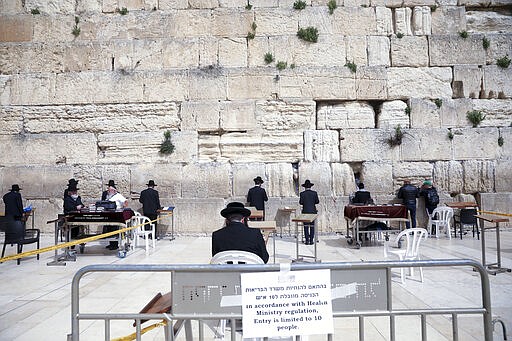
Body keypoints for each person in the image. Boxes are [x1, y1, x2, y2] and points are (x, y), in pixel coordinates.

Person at [102, 181, 128, 250]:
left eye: (109, 190)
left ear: (113, 190)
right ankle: (111, 243)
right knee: (109, 229)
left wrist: (122, 208)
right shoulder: (108, 196)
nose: (108, 191)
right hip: (109, 214)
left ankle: (115, 245)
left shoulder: (118, 195)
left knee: (114, 229)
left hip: (116, 214)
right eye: (108, 190)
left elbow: (125, 202)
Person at [299, 179, 319, 245]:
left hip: (305, 212)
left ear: (305, 187)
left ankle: (307, 240)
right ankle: (311, 240)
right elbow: (317, 201)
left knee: (306, 226)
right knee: (312, 226)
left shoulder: (302, 194)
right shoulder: (314, 193)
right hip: (313, 212)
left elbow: (301, 203)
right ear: (310, 186)